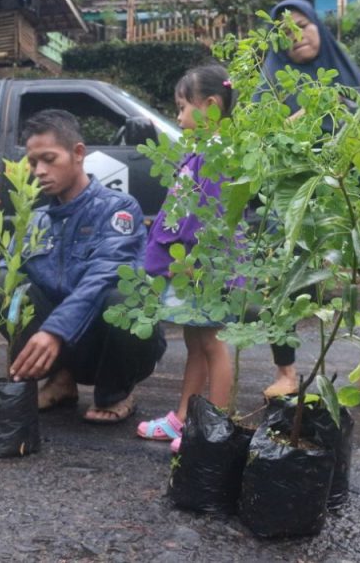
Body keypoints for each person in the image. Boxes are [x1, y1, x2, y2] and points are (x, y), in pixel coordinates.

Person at [0, 109, 167, 423]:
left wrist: (55, 331)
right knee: (16, 290)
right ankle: (62, 380)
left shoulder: (117, 209)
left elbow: (103, 276)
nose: (39, 170)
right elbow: (0, 279)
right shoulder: (35, 220)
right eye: (33, 162)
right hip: (59, 347)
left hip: (107, 348)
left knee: (124, 297)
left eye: (49, 159)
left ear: (78, 154)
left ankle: (116, 392)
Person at [260, 0, 360, 405]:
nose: (297, 35)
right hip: (300, 197)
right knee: (285, 277)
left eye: (303, 24)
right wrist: (303, 113)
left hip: (354, 192)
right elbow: (261, 140)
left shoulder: (345, 71)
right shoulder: (272, 82)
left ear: (319, 28)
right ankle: (285, 373)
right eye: (285, 31)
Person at [137, 64, 240, 452]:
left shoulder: (218, 155)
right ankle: (183, 418)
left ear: (210, 106)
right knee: (197, 342)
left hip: (204, 268)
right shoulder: (204, 151)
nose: (178, 117)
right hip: (194, 268)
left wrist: (192, 259)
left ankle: (214, 428)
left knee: (212, 342)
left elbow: (209, 217)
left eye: (182, 107)